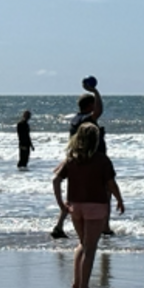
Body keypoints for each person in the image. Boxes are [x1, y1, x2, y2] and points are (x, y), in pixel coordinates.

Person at [51, 123, 124, 288]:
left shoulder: (72, 159)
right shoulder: (102, 160)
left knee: (82, 244)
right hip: (96, 206)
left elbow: (56, 180)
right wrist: (119, 199)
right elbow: (111, 184)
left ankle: (77, 282)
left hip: (75, 206)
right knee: (90, 248)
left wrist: (61, 203)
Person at [52, 78, 106, 240]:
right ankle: (105, 226)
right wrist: (95, 91)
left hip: (75, 159)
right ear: (89, 106)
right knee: (103, 192)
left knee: (74, 196)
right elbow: (99, 111)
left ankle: (59, 225)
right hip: (90, 161)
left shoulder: (75, 119)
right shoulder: (87, 120)